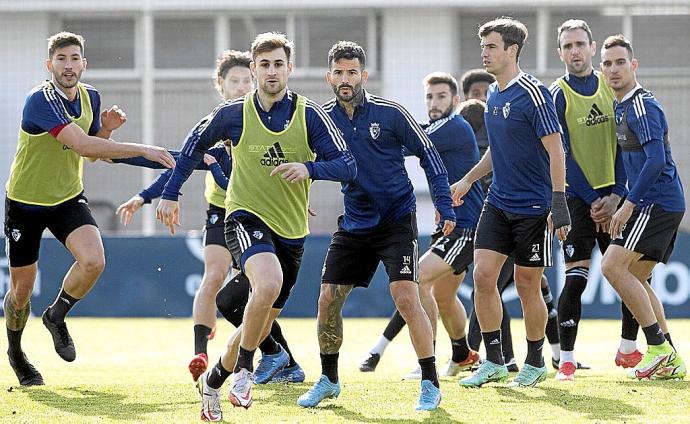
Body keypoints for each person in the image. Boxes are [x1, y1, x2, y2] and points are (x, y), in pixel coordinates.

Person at [156, 32, 356, 420]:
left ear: (290, 68)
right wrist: (170, 193)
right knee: (267, 282)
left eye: (278, 64)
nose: (271, 72)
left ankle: (215, 381)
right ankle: (245, 370)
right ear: (253, 70)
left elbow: (347, 165)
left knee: (256, 319)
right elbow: (194, 145)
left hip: (291, 231)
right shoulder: (234, 113)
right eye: (263, 64)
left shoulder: (309, 115)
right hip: (244, 216)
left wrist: (309, 168)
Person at [115, 50, 304, 385]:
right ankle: (203, 352)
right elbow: (177, 162)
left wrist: (294, 194)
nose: (242, 86)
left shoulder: (274, 120)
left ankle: (279, 357)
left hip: (267, 216)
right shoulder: (220, 124)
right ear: (221, 85)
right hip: (224, 215)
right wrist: (143, 193)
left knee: (252, 293)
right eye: (235, 81)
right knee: (216, 278)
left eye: (247, 80)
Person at [3, 32, 174, 386]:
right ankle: (16, 353)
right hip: (26, 202)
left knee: (94, 260)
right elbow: (81, 146)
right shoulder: (41, 99)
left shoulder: (90, 96)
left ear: (84, 63)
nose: (69, 66)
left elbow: (96, 153)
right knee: (21, 290)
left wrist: (107, 131)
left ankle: (56, 315)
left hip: (67, 197)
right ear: (49, 65)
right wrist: (144, 148)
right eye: (61, 59)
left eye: (74, 58)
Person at [297, 41, 454, 412]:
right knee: (327, 300)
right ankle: (329, 380)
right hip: (353, 223)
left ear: (364, 75)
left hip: (396, 220)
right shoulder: (320, 119)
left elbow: (430, 157)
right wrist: (300, 196)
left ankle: (430, 382)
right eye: (339, 72)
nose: (345, 79)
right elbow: (305, 162)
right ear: (329, 76)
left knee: (405, 296)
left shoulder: (391, 113)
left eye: (352, 72)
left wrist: (444, 206)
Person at [452, 17, 570, 388]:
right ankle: (495, 360)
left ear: (512, 50)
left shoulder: (534, 93)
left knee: (526, 286)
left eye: (491, 46)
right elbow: (496, 154)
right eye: (483, 46)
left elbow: (556, 151)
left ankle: (535, 360)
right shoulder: (494, 96)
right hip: (497, 202)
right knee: (483, 278)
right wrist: (468, 179)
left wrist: (559, 203)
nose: (484, 53)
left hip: (533, 209)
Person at [359, 72, 482, 379]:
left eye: (441, 96)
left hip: (466, 226)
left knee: (416, 281)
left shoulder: (453, 126)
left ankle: (425, 360)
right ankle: (462, 355)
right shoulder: (437, 128)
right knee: (443, 295)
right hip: (452, 225)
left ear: (456, 100)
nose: (434, 102)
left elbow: (402, 146)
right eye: (429, 96)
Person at [548, 19, 643, 380]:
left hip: (616, 196)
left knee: (629, 276)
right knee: (576, 279)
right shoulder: (557, 94)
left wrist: (616, 195)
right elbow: (561, 153)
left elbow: (624, 144)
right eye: (568, 45)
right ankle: (567, 360)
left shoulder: (611, 85)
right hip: (577, 199)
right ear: (560, 53)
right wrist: (592, 200)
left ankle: (629, 350)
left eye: (580, 44)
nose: (575, 51)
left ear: (592, 48)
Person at [599, 34, 686, 380]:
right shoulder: (621, 106)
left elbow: (654, 161)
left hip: (657, 201)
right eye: (607, 64)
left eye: (621, 62)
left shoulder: (640, 104)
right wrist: (618, 197)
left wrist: (628, 205)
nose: (614, 69)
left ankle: (658, 348)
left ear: (633, 65)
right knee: (633, 275)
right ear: (602, 70)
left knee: (611, 266)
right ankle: (670, 355)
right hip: (661, 202)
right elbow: (631, 163)